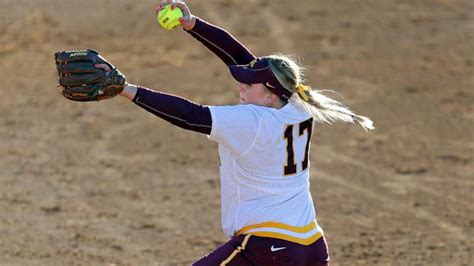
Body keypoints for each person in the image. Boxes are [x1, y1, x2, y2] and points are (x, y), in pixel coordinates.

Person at [114, 1, 374, 265]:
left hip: (269, 247)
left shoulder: (253, 121)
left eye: (249, 84)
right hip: (311, 246)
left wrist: (126, 89)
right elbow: (243, 59)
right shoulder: (298, 104)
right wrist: (193, 24)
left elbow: (190, 116)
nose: (241, 86)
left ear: (271, 95)